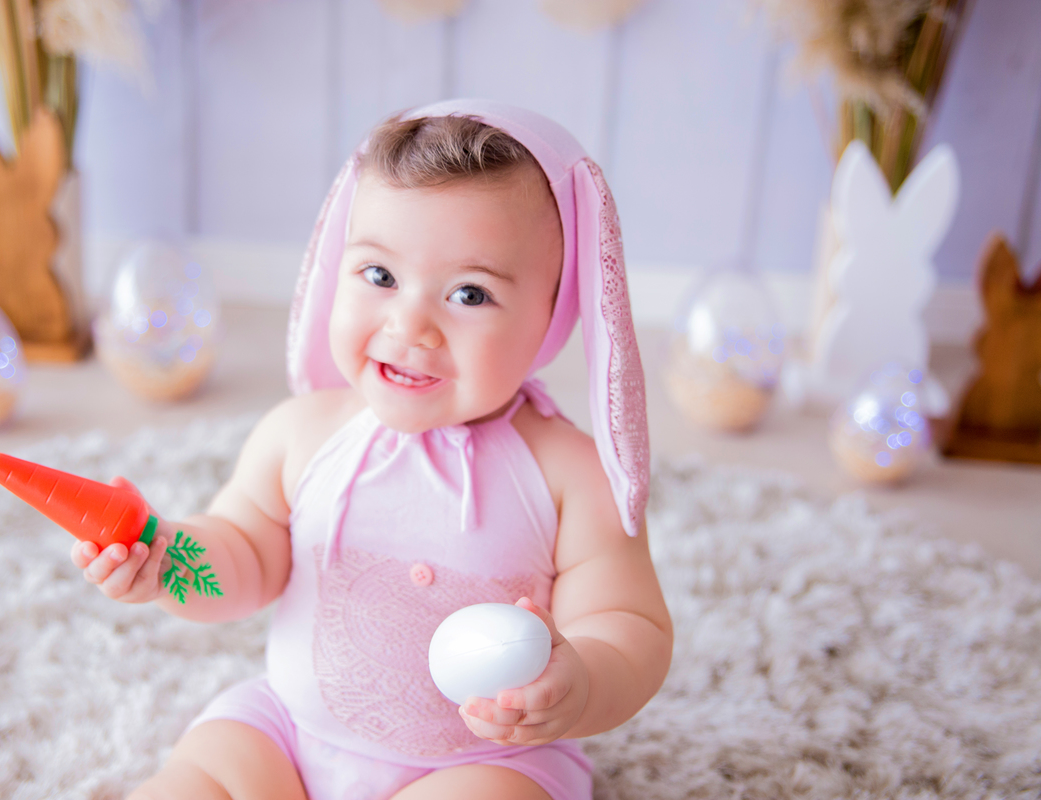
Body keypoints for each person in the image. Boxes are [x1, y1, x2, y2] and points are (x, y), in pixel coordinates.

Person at [73, 100, 673, 800]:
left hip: (480, 764)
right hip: (291, 737)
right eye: (380, 276)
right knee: (209, 766)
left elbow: (629, 625)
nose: (409, 323)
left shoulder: (570, 475)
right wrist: (167, 558)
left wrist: (583, 680)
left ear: (554, 311)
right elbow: (243, 554)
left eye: (469, 293)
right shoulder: (301, 435)